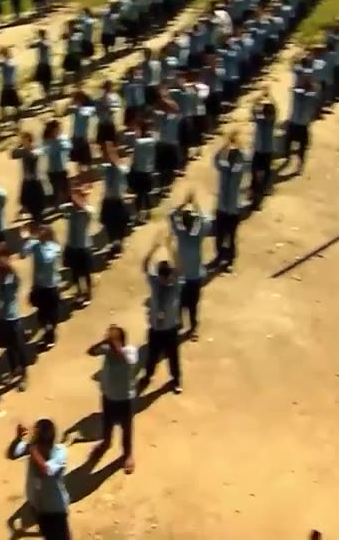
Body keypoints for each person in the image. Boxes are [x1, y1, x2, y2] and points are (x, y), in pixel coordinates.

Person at [86, 325, 139, 474]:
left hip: (124, 399)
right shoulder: (107, 350)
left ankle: (127, 454)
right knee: (107, 424)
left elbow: (124, 359)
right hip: (108, 396)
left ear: (121, 340)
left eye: (113, 338)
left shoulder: (130, 352)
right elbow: (90, 352)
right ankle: (105, 443)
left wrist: (112, 344)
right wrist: (103, 342)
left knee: (126, 428)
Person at [8, 419, 71, 540]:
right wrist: (18, 439)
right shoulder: (34, 449)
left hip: (55, 508)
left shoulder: (60, 452)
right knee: (48, 531)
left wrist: (33, 450)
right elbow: (11, 455)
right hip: (37, 504)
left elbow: (45, 471)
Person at [139, 234, 184, 394]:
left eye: (166, 277)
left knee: (173, 357)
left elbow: (180, 268)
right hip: (156, 329)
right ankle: (148, 376)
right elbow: (145, 266)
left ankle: (176, 379)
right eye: (162, 277)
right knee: (152, 356)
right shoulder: (155, 282)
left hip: (170, 328)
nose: (164, 280)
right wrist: (153, 249)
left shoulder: (175, 285)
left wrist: (171, 249)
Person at [0, 247, 30, 390]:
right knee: (8, 347)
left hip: (13, 317)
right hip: (0, 317)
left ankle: (24, 375)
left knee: (19, 347)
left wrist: (7, 267)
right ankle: (13, 371)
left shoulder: (12, 277)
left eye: (3, 256)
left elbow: (15, 282)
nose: (1, 260)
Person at [171, 194, 212, 339]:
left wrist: (185, 203)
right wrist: (194, 204)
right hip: (191, 277)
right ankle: (188, 327)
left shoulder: (184, 234)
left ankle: (189, 326)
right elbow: (206, 220)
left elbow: (172, 215)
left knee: (187, 304)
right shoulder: (196, 235)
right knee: (187, 304)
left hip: (186, 277)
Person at [19, 223, 63, 350]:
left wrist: (33, 241)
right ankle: (49, 333)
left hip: (50, 287)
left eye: (42, 232)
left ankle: (50, 333)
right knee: (42, 314)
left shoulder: (53, 248)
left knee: (51, 314)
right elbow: (22, 254)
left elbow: (47, 260)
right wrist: (26, 240)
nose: (39, 233)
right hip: (40, 287)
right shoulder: (36, 245)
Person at [212, 136, 249, 271]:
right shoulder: (224, 167)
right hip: (223, 208)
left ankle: (230, 259)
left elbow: (246, 159)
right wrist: (226, 145)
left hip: (232, 210)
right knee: (220, 236)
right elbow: (216, 158)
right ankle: (220, 256)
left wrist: (238, 144)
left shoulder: (237, 170)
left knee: (231, 237)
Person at [63, 183, 96, 305]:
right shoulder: (70, 209)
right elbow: (62, 207)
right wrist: (74, 196)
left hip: (83, 246)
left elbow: (90, 210)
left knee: (86, 273)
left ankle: (88, 294)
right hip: (72, 246)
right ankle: (79, 292)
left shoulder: (87, 212)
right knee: (75, 272)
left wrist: (80, 198)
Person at [97, 142, 130, 257]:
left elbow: (123, 169)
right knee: (110, 226)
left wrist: (111, 153)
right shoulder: (106, 168)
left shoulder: (122, 168)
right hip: (109, 201)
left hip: (117, 200)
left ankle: (117, 245)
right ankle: (114, 245)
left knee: (119, 225)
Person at [14, 131, 50, 224]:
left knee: (36, 204)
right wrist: (19, 147)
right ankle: (30, 214)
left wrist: (25, 150)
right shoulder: (23, 151)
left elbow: (34, 154)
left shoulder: (34, 151)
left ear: (30, 140)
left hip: (34, 181)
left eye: (24, 140)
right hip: (27, 180)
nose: (23, 142)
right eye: (22, 140)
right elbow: (13, 154)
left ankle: (37, 220)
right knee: (26, 201)